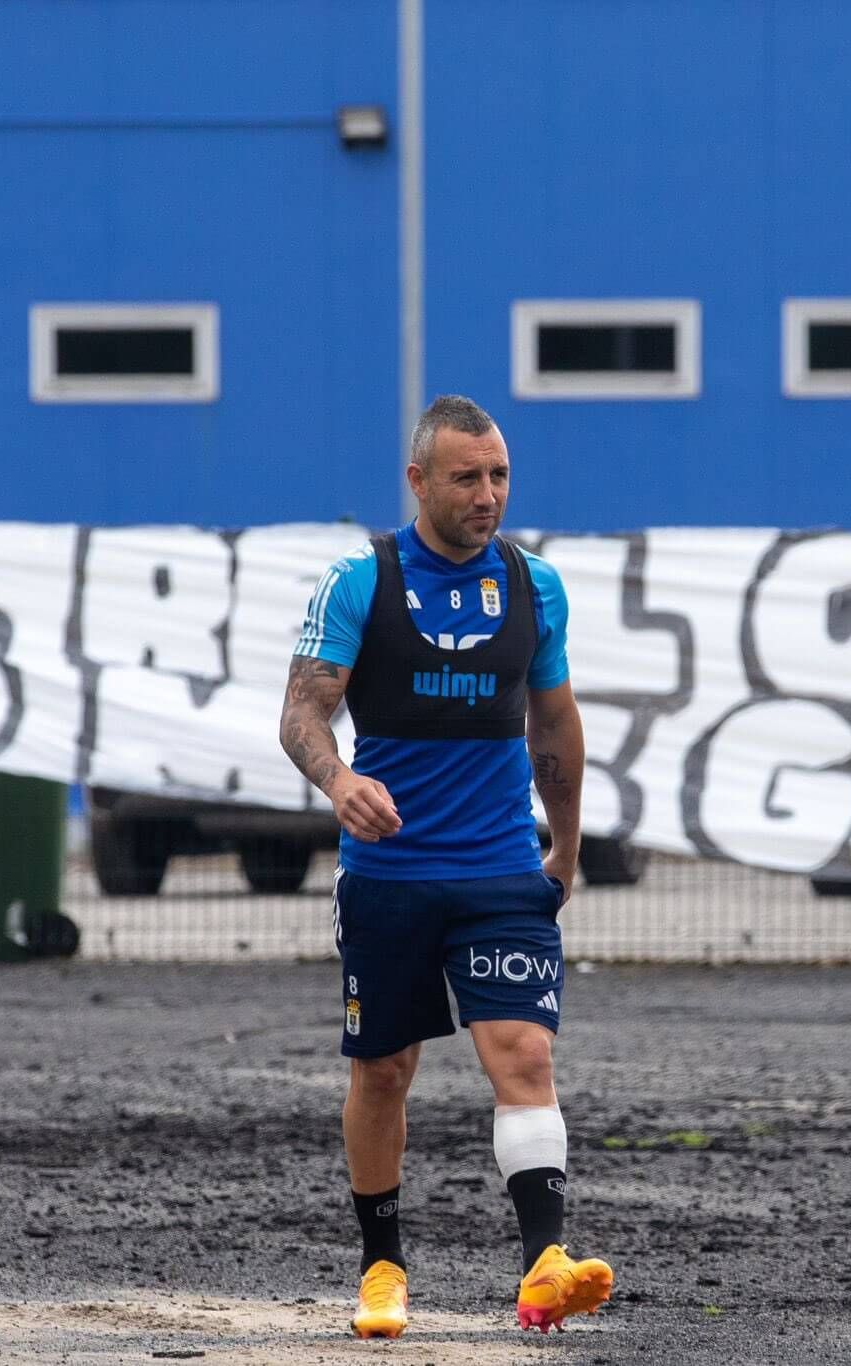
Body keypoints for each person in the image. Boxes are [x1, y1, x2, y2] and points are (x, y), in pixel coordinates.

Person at [278, 394, 613, 1339]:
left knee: (526, 1053)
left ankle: (545, 1264)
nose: (488, 494)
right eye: (467, 477)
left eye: (500, 475)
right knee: (384, 1070)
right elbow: (301, 714)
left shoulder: (534, 585)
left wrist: (566, 845)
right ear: (418, 481)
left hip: (500, 868)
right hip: (389, 875)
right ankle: (382, 1266)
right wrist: (340, 780)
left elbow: (554, 722)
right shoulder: (362, 580)